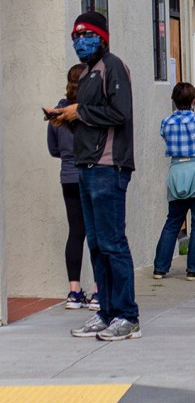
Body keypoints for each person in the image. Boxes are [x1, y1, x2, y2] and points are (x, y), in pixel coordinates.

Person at [47, 11, 139, 341]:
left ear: (102, 37)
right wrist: (66, 119)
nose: (79, 42)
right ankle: (106, 312)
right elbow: (90, 119)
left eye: (86, 35)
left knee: (113, 242)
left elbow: (119, 113)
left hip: (108, 165)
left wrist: (78, 111)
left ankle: (127, 315)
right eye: (75, 37)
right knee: (97, 244)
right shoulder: (87, 74)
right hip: (86, 166)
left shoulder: (113, 67)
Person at [46, 65, 99, 310]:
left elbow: (53, 149)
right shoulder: (89, 111)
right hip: (93, 175)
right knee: (98, 233)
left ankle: (74, 292)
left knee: (75, 233)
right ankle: (99, 291)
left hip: (68, 176)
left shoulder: (57, 112)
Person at [152, 82, 195, 281]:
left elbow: (166, 138)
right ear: (194, 100)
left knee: (173, 221)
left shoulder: (166, 122)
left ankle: (160, 268)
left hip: (177, 170)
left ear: (174, 100)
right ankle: (193, 269)